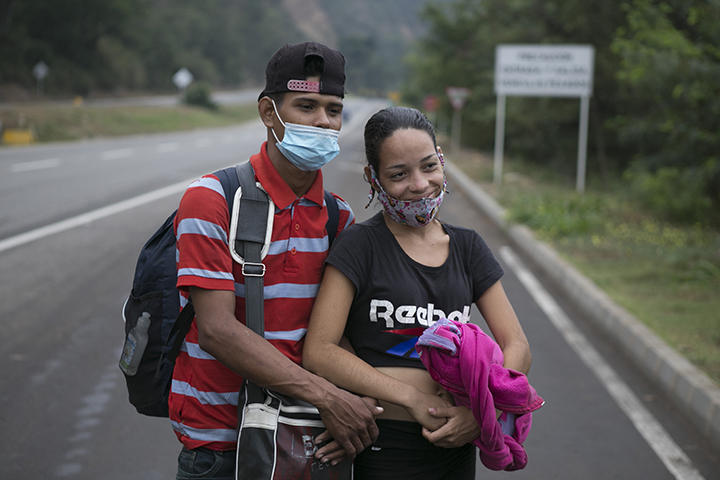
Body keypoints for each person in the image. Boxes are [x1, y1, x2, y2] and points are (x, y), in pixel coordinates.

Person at [170, 42, 382, 480]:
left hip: (303, 441)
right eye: (306, 105)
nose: (323, 121)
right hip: (219, 447)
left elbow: (335, 334)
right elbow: (216, 331)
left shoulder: (338, 217)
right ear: (269, 112)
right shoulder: (211, 200)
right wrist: (329, 397)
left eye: (333, 109)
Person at [303, 106, 533, 479]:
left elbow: (517, 346)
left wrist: (478, 415)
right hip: (378, 444)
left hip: (456, 447)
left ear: (441, 161)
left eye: (429, 166)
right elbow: (319, 350)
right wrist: (412, 399)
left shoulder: (468, 247)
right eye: (398, 174)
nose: (420, 184)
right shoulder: (359, 246)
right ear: (372, 178)